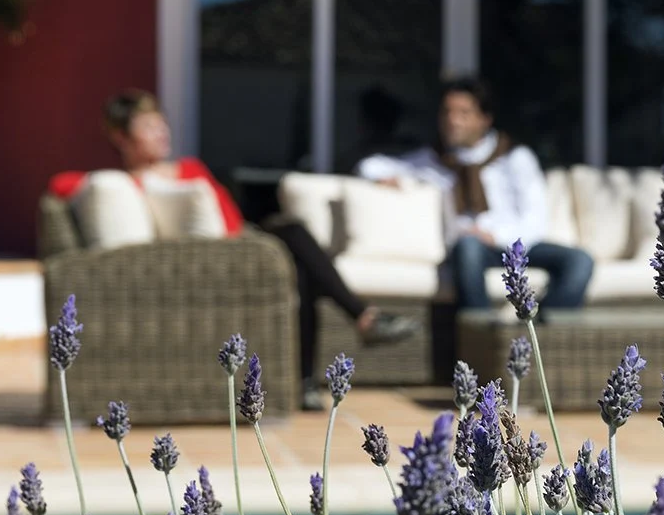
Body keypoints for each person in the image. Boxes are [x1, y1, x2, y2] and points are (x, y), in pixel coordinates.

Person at [51, 90, 418, 410]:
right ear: (121, 137)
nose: (162, 132)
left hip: (243, 240)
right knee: (293, 238)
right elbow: (61, 185)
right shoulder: (126, 185)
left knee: (300, 262)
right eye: (149, 127)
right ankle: (359, 320)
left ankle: (309, 381)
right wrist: (141, 182)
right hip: (224, 256)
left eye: (161, 124)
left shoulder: (188, 167)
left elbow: (230, 218)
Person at [356, 76, 594, 311]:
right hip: (471, 249)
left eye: (463, 113)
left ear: (484, 119)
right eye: (447, 112)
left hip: (515, 243)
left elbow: (536, 219)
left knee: (580, 260)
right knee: (468, 245)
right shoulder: (434, 161)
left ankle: (540, 332)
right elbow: (369, 165)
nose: (452, 121)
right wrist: (388, 178)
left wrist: (496, 236)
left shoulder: (515, 158)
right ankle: (481, 335)